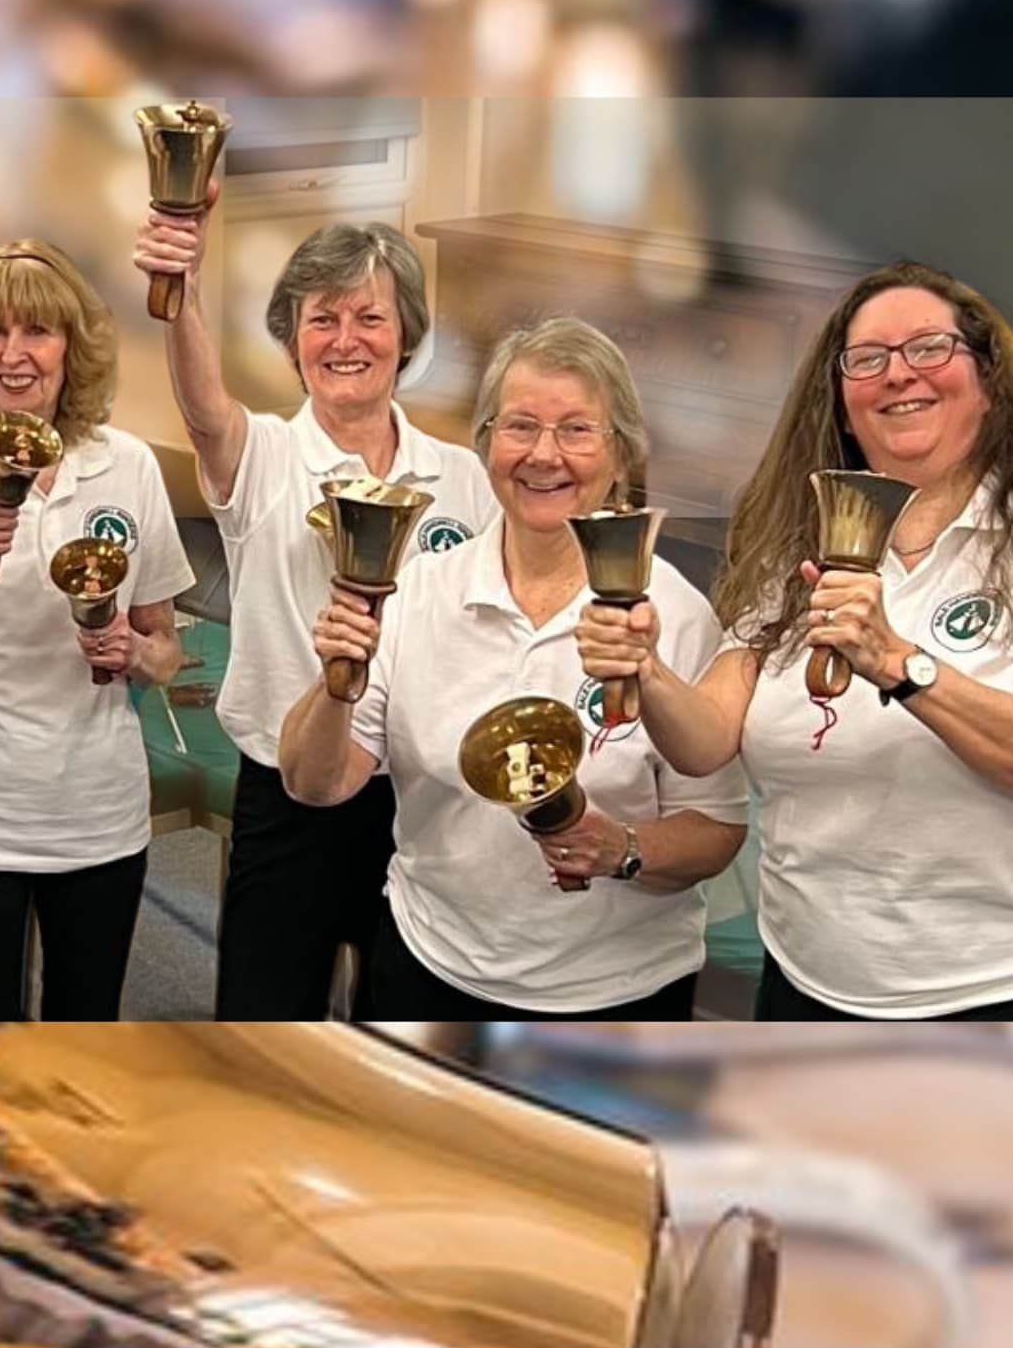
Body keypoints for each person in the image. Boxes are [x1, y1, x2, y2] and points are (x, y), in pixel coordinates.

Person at [576, 262, 1013, 1018]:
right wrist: (645, 669)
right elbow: (706, 740)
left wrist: (901, 664)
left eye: (929, 349)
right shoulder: (795, 549)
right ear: (841, 396)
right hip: (803, 984)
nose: (898, 375)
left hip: (984, 992)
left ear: (987, 374)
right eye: (867, 358)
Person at [280, 318, 748, 1018]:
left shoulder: (672, 614)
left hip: (615, 997)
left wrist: (618, 848)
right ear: (487, 445)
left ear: (620, 454)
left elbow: (716, 830)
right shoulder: (421, 590)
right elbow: (314, 783)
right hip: (430, 969)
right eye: (520, 426)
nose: (544, 455)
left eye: (577, 430)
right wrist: (336, 681)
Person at [133, 193, 497, 1016]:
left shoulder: (463, 479)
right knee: (266, 1029)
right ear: (292, 341)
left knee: (402, 1031)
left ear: (405, 335)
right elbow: (201, 406)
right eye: (321, 320)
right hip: (287, 798)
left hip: (418, 799)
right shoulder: (263, 456)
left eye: (368, 317)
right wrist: (181, 285)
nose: (345, 341)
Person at [0, 241, 193, 1018]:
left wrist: (136, 652)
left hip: (97, 819)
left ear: (73, 349)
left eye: (38, 333)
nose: (15, 356)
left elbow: (167, 651)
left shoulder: (127, 467)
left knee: (84, 1042)